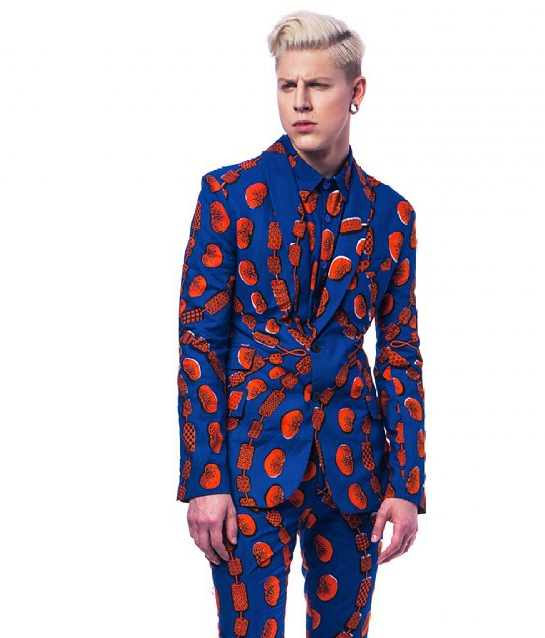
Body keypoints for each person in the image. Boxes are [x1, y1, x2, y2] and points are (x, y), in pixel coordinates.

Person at [176, 9, 427, 637]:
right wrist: (206, 478)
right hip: (248, 467)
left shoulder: (391, 214)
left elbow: (400, 352)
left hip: (354, 472)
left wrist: (407, 484)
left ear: (356, 91)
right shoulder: (229, 195)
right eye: (288, 85)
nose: (300, 102)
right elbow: (200, 343)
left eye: (317, 85)